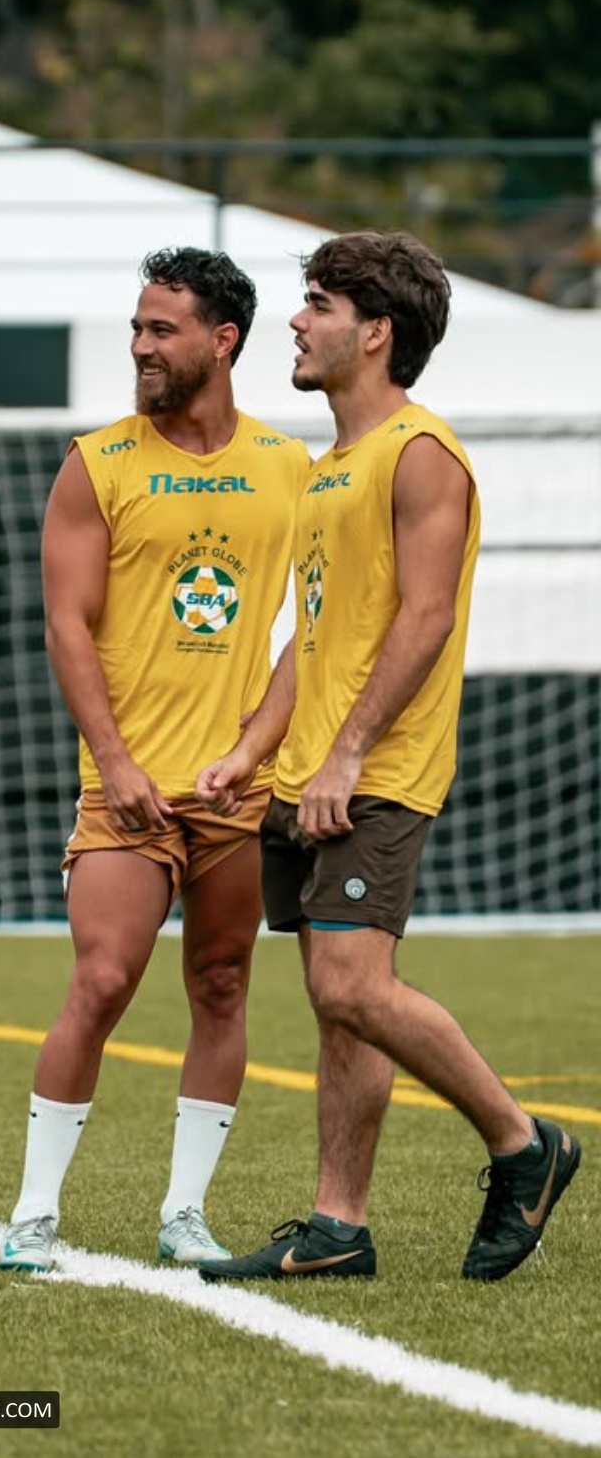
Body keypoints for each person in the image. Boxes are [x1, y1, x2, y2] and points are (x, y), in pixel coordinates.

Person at [194, 228, 582, 1286]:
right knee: (337, 1000)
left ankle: (524, 1144)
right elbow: (311, 640)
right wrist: (253, 750)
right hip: (310, 776)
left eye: (318, 304)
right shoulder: (330, 470)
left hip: (375, 773)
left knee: (352, 984)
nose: (295, 320)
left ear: (375, 331)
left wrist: (347, 755)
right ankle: (338, 1225)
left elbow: (425, 617)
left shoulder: (420, 453)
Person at [0, 245, 309, 1273]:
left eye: (161, 328)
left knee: (222, 985)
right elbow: (67, 627)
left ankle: (184, 1214)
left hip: (239, 793)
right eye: (136, 327)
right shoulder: (98, 463)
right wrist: (116, 762)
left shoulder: (290, 468)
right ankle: (32, 1216)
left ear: (223, 339)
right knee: (101, 980)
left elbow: (322, 628)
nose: (140, 345)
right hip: (125, 792)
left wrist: (256, 748)